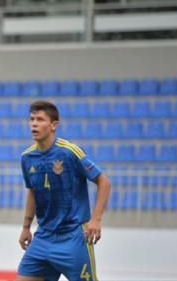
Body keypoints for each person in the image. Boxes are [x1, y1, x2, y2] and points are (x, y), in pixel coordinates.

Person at [17, 101, 111, 281]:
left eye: (40, 119)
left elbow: (104, 181)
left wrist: (96, 219)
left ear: (54, 125)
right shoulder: (27, 157)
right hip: (43, 236)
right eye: (31, 119)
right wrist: (26, 227)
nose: (34, 124)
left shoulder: (69, 152)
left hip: (73, 236)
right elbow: (32, 192)